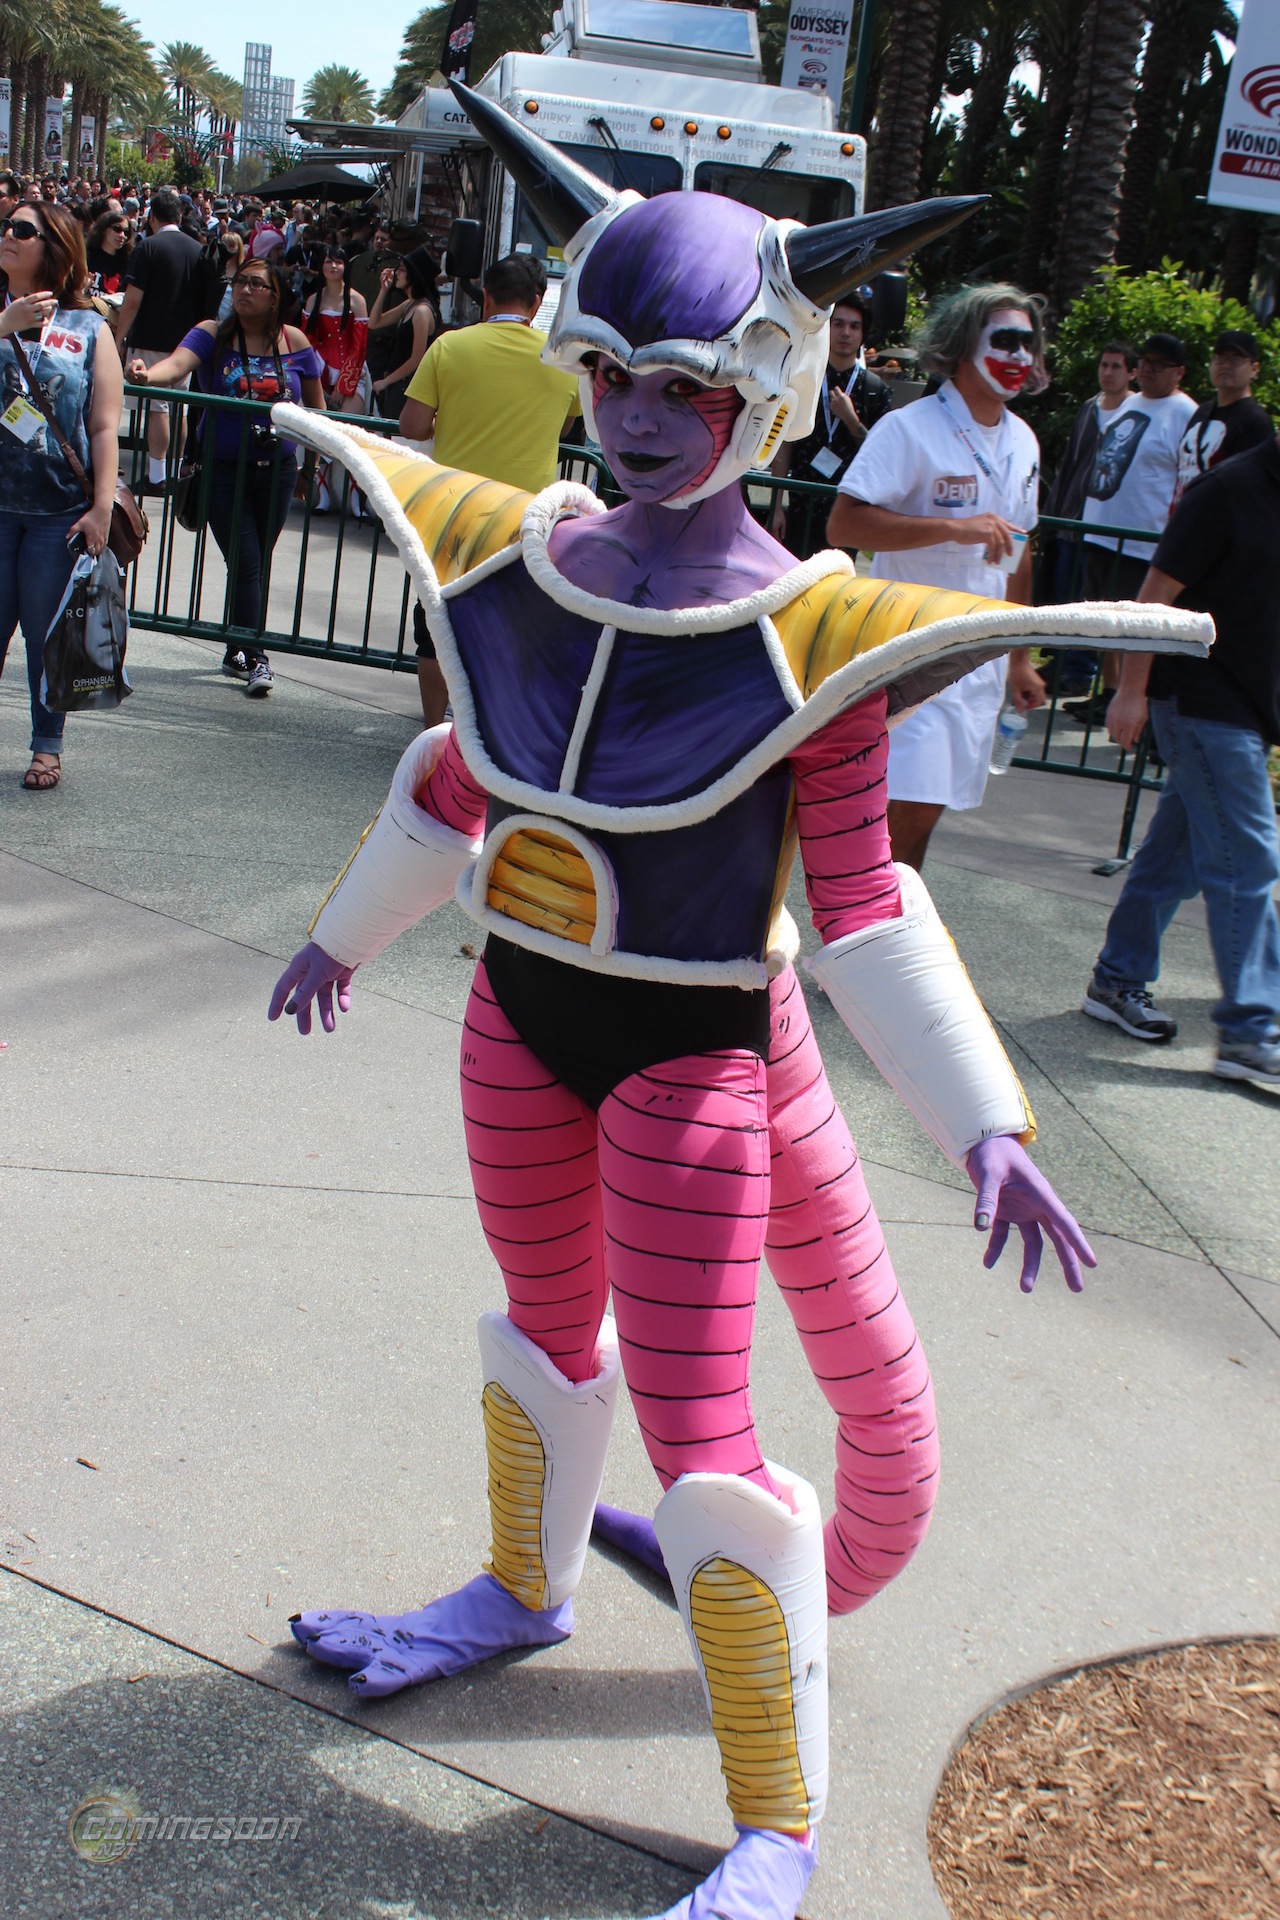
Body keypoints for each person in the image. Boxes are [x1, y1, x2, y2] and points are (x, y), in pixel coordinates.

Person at [264, 87, 1202, 1920]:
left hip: (699, 1056)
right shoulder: (519, 561)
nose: (635, 415)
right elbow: (458, 782)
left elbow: (860, 901)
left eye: (684, 385)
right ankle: (519, 1589)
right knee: (541, 1328)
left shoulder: (815, 637)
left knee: (708, 1439)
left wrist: (985, 1122)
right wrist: (345, 936)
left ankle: (777, 1818)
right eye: (614, 370)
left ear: (763, 386)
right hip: (521, 1015)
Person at [827, 282, 1048, 871]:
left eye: (1028, 343)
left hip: (981, 664)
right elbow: (845, 523)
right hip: (913, 656)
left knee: (924, 816)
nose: (1019, 356)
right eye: (1005, 340)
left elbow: (1019, 550)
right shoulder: (909, 429)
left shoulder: (1024, 441)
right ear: (962, 346)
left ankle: (889, 917)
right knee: (904, 815)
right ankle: (876, 921)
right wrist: (952, 527)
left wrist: (1020, 659)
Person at [1083, 433, 1280, 1089]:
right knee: (1248, 859)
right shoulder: (1226, 491)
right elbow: (1154, 597)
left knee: (1178, 856)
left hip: (1248, 709)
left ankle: (1117, 977)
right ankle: (1251, 1032)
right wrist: (1130, 691)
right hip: (1199, 701)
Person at [397, 249, 582, 727]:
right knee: (510, 628)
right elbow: (565, 428)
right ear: (537, 301)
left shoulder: (450, 347)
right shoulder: (561, 362)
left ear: (486, 296)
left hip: (451, 511)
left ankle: (433, 730)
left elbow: (412, 425)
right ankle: (488, 732)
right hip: (523, 520)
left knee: (437, 621)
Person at [128, 259, 324, 697]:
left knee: (252, 562)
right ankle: (256, 657)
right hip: (221, 470)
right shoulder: (213, 334)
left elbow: (317, 409)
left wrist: (312, 468)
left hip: (277, 472)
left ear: (275, 296)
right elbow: (176, 366)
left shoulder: (294, 341)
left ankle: (236, 647)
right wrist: (145, 374)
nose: (245, 290)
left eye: (256, 284)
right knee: (248, 560)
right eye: (240, 282)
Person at [0, 201, 123, 790]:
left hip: (57, 514)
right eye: (6, 225)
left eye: (22, 229)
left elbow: (103, 425)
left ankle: (46, 747)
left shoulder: (89, 327)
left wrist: (101, 506)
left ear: (54, 247)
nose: (7, 234)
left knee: (44, 637)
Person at [1070, 331, 1197, 725]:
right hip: (1102, 533)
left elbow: (1186, 478)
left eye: (1159, 365)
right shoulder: (1131, 402)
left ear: (1178, 372)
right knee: (1104, 621)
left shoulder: (1185, 412)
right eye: (1145, 362)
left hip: (1140, 540)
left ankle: (1128, 698)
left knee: (1130, 626)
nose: (1148, 370)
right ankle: (1108, 692)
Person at [1039, 341, 1138, 693]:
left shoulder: (1135, 414)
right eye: (1104, 365)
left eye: (1116, 366)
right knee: (1064, 594)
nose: (1108, 372)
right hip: (1071, 520)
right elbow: (1070, 464)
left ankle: (1081, 670)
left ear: (1131, 373)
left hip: (1106, 529)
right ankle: (1062, 661)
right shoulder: (1088, 408)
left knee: (1091, 602)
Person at [769, 289, 890, 557]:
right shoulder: (805, 378)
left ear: (862, 334)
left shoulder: (875, 390)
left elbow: (884, 456)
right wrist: (776, 506)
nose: (846, 333)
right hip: (801, 507)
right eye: (838, 324)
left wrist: (852, 421)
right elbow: (784, 441)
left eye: (854, 326)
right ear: (827, 327)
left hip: (846, 515)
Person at [113, 187, 205, 488]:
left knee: (158, 408)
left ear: (152, 216)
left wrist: (119, 338)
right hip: (187, 344)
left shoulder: (148, 247)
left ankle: (157, 476)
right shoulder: (197, 249)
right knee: (179, 408)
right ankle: (172, 472)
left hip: (151, 340)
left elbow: (132, 300)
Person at [1172, 330, 1271, 509]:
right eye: (1220, 358)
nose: (1226, 365)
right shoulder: (1203, 411)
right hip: (1182, 518)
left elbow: (1252, 490)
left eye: (1236, 359)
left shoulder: (1255, 422)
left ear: (1254, 369)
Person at [367, 246, 438, 420]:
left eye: (402, 270)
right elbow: (374, 322)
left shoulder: (421, 311)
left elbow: (417, 359)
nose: (396, 273)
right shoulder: (409, 305)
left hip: (407, 387)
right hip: (397, 385)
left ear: (414, 276)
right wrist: (383, 290)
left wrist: (386, 381)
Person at [84, 205, 131, 298]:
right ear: (104, 229)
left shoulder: (127, 265)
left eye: (126, 232)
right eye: (117, 229)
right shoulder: (86, 256)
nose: (122, 235)